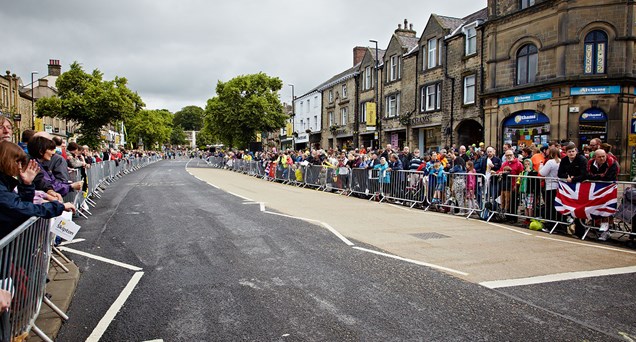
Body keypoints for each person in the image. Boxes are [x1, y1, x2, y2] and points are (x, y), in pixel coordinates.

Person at [0, 141, 75, 239]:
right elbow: (19, 208)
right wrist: (58, 206)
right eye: (17, 161)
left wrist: (27, 184)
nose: (20, 167)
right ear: (6, 160)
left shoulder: (6, 182)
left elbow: (23, 205)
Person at [586, 149, 619, 241]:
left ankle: (606, 232)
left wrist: (595, 177)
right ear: (595, 157)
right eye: (599, 157)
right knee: (595, 209)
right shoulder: (590, 163)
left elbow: (609, 177)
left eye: (603, 156)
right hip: (595, 190)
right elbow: (587, 175)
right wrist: (599, 176)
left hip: (609, 191)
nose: (602, 158)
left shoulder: (612, 162)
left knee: (606, 211)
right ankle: (595, 229)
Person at [539, 147, 561, 224]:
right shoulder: (560, 161)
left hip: (550, 186)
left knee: (550, 206)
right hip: (559, 187)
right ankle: (557, 223)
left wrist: (541, 165)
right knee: (557, 205)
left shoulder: (550, 162)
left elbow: (542, 173)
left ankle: (550, 223)